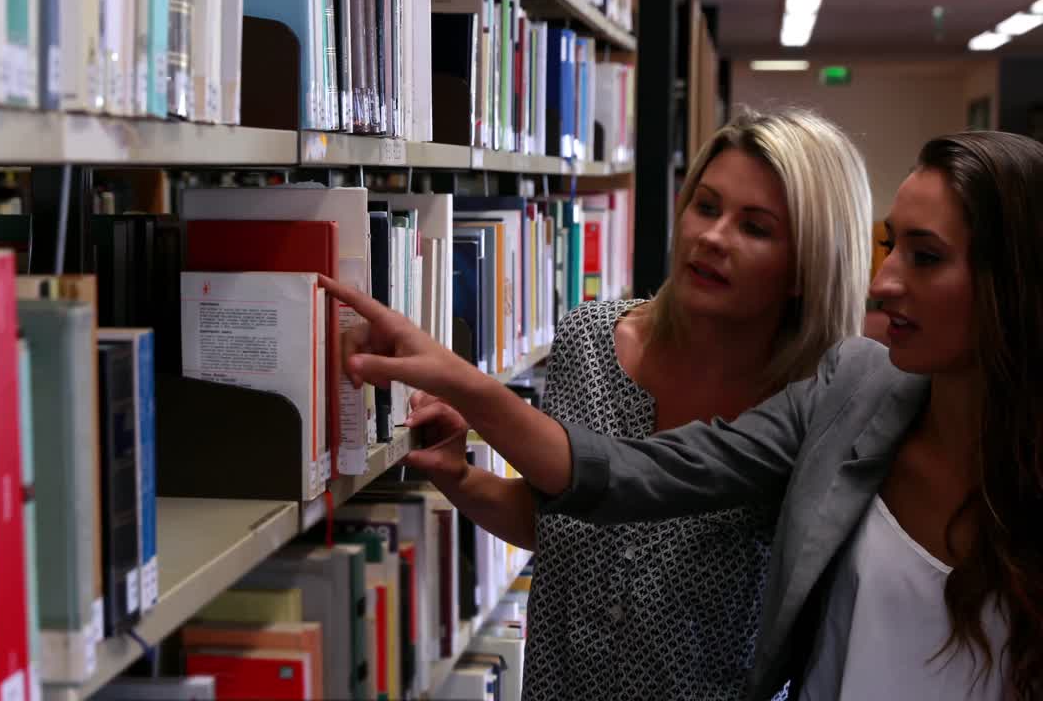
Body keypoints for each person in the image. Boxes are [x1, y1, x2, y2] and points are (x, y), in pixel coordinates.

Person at [324, 130, 1043, 699]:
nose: (883, 284)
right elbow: (632, 479)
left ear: (1012, 281)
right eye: (891, 248)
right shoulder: (853, 394)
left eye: (924, 257)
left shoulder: (821, 381)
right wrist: (470, 395)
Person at [402, 108, 874, 700]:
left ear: (808, 265)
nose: (712, 237)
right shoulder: (592, 343)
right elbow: (552, 520)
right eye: (706, 206)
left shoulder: (812, 406)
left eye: (755, 228)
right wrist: (461, 477)